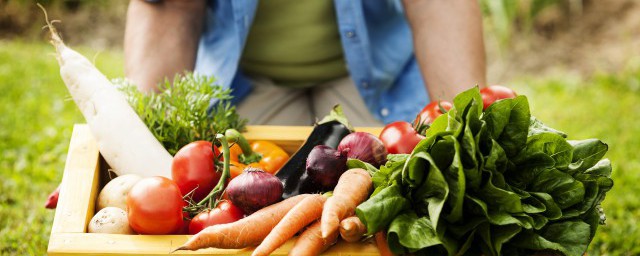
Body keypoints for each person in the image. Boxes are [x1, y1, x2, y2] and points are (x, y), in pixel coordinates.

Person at [124, 0, 486, 126]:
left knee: (414, 193)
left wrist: (467, 132)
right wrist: (144, 148)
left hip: (378, 76)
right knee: (240, 200)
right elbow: (172, 6)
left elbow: (435, 3)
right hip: (245, 79)